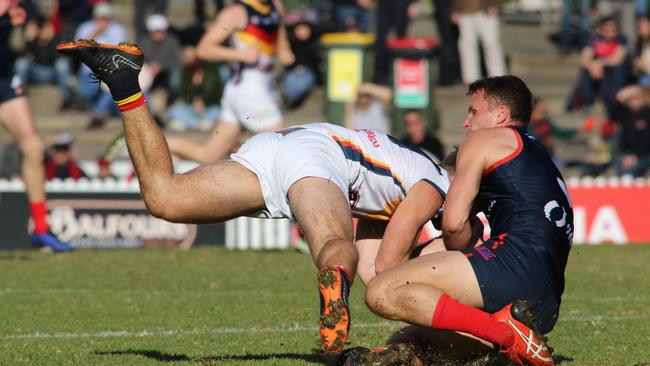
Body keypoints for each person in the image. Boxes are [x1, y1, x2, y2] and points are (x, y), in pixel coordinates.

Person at [56, 40, 451, 354]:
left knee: (165, 198)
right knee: (332, 243)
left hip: (282, 145)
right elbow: (391, 264)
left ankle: (124, 84)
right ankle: (332, 290)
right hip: (319, 158)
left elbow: (373, 274)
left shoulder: (403, 175)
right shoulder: (437, 184)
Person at [364, 75, 572, 366]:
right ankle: (513, 339)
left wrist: (459, 245)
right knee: (409, 341)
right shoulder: (537, 153)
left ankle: (507, 334)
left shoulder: (483, 139)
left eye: (473, 111)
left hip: (513, 266)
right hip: (545, 298)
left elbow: (453, 224)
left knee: (382, 291)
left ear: (500, 115)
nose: (466, 122)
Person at [165, 0, 294, 164]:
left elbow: (279, 27)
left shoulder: (275, 5)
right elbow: (204, 49)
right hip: (249, 91)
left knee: (207, 155)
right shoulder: (236, 12)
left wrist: (284, 48)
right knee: (283, 146)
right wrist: (240, 55)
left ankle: (156, 145)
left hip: (253, 88)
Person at [0, 1, 72, 252]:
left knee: (34, 149)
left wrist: (24, 22)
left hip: (4, 83)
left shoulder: (20, 6)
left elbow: (35, 23)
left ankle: (41, 229)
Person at [73, 2, 127, 129]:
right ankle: (100, 111)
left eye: (106, 18)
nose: (104, 21)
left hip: (109, 73)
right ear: (95, 17)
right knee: (92, 92)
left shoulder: (118, 30)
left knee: (110, 87)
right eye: (101, 17)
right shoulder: (85, 28)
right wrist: (94, 34)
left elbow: (117, 54)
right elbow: (75, 50)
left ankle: (97, 114)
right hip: (88, 74)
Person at [14, 16, 73, 110]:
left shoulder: (55, 39)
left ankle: (66, 99)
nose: (42, 31)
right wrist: (29, 40)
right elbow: (22, 57)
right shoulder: (32, 41)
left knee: (62, 64)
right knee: (21, 63)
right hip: (35, 73)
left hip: (52, 74)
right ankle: (20, 96)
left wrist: (52, 39)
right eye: (40, 28)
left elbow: (62, 58)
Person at [452, 0, 507, 84]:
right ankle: (471, 78)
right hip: (465, 10)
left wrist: (495, 4)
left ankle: (498, 77)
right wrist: (455, 9)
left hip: (486, 10)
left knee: (491, 44)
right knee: (467, 46)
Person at [139, 14, 182, 108]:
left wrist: (160, 66)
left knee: (176, 78)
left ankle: (171, 102)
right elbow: (138, 59)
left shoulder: (172, 41)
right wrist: (149, 67)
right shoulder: (143, 42)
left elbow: (176, 60)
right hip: (149, 73)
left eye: (161, 31)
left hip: (167, 73)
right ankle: (145, 105)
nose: (158, 34)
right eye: (156, 31)